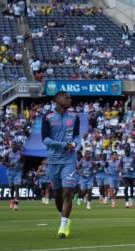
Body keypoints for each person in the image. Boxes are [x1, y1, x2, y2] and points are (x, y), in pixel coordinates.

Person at [41, 91, 81, 239]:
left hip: (69, 160)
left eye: (70, 97)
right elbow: (45, 139)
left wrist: (75, 144)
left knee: (67, 192)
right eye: (66, 97)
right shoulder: (48, 117)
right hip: (53, 160)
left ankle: (63, 226)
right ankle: (62, 217)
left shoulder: (74, 117)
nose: (69, 99)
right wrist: (63, 144)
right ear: (57, 100)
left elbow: (77, 136)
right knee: (57, 193)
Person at [5, 142, 23, 211]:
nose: (14, 146)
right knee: (11, 188)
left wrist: (21, 166)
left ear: (17, 146)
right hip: (10, 172)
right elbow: (3, 162)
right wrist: (9, 165)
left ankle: (16, 204)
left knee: (17, 188)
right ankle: (12, 199)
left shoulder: (20, 154)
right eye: (13, 145)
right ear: (11, 146)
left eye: (15, 145)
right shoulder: (8, 153)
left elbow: (23, 161)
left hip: (18, 172)